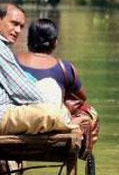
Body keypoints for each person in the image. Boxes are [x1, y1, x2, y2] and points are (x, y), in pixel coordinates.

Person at [0, 3, 77, 137]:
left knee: (49, 84)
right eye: (14, 24)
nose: (18, 30)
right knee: (50, 112)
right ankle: (67, 121)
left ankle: (60, 116)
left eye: (21, 26)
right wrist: (58, 111)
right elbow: (23, 90)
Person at [17, 18, 99, 157]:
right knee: (90, 112)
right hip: (52, 125)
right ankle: (83, 153)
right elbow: (81, 98)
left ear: (29, 40)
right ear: (54, 43)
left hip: (19, 121)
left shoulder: (13, 62)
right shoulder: (64, 68)